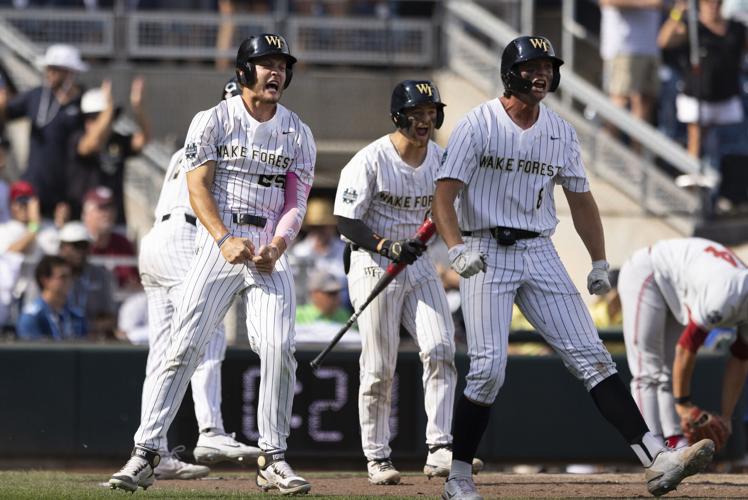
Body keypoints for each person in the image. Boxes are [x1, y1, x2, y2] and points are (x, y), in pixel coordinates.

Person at [432, 35, 715, 500]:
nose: (541, 74)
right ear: (510, 72)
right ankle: (458, 476)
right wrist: (456, 247)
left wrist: (599, 259)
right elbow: (443, 195)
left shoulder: (560, 130)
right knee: (487, 370)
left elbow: (581, 202)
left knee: (593, 357)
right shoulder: (477, 124)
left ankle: (656, 459)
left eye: (547, 66)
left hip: (539, 249)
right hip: (485, 248)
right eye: (531, 67)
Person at [109, 33, 316, 495]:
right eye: (266, 63)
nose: (276, 72)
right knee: (182, 346)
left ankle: (274, 457)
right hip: (216, 248)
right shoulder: (213, 119)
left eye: (281, 64)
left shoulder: (298, 130)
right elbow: (197, 186)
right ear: (244, 71)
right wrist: (222, 238)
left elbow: (296, 200)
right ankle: (145, 453)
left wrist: (279, 244)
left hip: (267, 253)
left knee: (281, 347)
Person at [334, 79, 482, 485]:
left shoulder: (440, 158)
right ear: (399, 116)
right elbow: (346, 220)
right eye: (417, 113)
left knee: (440, 346)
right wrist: (385, 246)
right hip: (372, 263)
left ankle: (439, 447)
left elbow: (448, 207)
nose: (425, 120)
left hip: (417, 264)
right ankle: (377, 456)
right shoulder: (371, 160)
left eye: (431, 112)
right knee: (380, 366)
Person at [134, 78, 261, 481]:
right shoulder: (228, 141)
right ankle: (211, 431)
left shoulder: (190, 142)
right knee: (207, 333)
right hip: (184, 237)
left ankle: (152, 450)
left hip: (155, 241)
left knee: (163, 355)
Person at [618, 237, 748, 449]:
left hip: (680, 285)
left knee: (669, 373)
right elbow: (686, 348)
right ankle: (653, 451)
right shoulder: (728, 293)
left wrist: (726, 416)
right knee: (647, 371)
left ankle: (676, 443)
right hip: (647, 270)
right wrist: (683, 405)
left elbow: (741, 358)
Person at [0, 44, 86, 218]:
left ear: (70, 72)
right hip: (33, 187)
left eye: (55, 69)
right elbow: (7, 113)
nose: (49, 73)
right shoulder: (37, 96)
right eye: (48, 69)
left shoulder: (82, 103)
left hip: (66, 193)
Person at [658, 0, 746, 159]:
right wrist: (677, 13)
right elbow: (664, 41)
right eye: (708, 2)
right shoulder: (693, 28)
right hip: (698, 96)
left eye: (717, 3)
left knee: (723, 146)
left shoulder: (736, 29)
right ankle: (693, 177)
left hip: (727, 99)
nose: (713, 6)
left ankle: (720, 178)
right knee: (697, 141)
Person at [68, 77, 151, 224]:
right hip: (84, 220)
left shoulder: (117, 140)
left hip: (115, 220)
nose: (104, 122)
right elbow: (91, 144)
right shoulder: (77, 138)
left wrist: (138, 109)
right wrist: (109, 109)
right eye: (93, 118)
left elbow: (143, 140)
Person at [599, 0, 662, 130]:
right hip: (623, 49)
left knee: (644, 103)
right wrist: (647, 3)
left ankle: (637, 150)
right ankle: (606, 149)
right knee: (619, 102)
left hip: (650, 48)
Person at [56, 221, 118, 340]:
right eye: (75, 245)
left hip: (91, 340)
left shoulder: (101, 276)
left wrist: (86, 326)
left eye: (84, 246)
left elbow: (110, 317)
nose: (80, 251)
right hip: (56, 338)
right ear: (62, 248)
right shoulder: (49, 274)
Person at [17, 255, 86, 341]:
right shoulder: (32, 317)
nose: (69, 281)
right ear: (45, 280)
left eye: (70, 276)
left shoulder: (76, 316)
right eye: (63, 277)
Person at [81, 186, 139, 289]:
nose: (107, 213)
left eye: (110, 207)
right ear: (86, 214)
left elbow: (133, 279)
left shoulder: (123, 243)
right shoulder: (78, 243)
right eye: (101, 208)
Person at [295, 268, 359, 343]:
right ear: (314, 293)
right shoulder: (297, 316)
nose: (336, 297)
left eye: (337, 292)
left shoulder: (344, 315)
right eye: (330, 293)